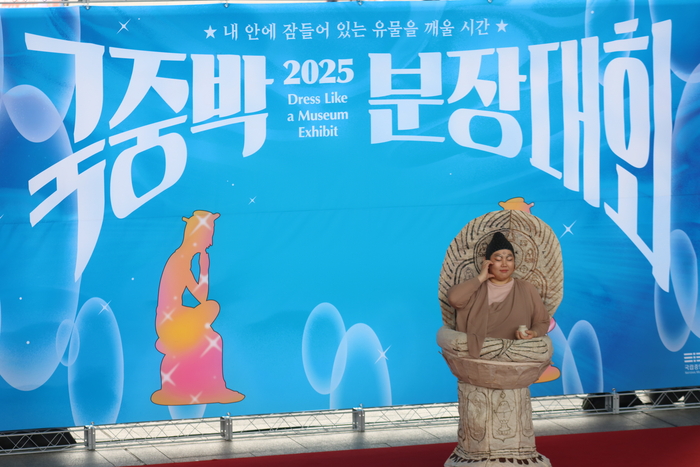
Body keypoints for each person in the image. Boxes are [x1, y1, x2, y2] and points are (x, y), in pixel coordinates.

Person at [446, 232, 550, 359]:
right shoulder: (474, 288)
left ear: (515, 264)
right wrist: (481, 278)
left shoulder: (527, 289)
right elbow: (454, 299)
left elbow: (542, 322)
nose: (504, 264)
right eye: (498, 259)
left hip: (515, 361)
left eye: (509, 259)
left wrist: (533, 333)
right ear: (487, 262)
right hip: (476, 362)